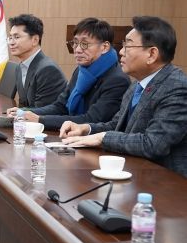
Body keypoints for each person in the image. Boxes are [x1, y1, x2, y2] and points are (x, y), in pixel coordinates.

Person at [61, 16, 187, 177]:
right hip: (134, 173)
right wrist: (86, 128)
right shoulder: (137, 84)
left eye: (128, 45)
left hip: (167, 182)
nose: (120, 51)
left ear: (152, 54)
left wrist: (102, 138)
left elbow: (153, 144)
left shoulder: (176, 87)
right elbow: (117, 125)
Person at [6, 18, 130, 130]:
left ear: (104, 47)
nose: (78, 49)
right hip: (72, 135)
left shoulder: (117, 80)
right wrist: (25, 112)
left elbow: (91, 119)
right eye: (75, 43)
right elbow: (60, 106)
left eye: (84, 44)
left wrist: (40, 120)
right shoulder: (81, 71)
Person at [7, 14, 67, 108]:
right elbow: (24, 104)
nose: (11, 43)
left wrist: (19, 113)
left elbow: (43, 111)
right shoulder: (19, 68)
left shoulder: (48, 69)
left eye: (17, 37)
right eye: (10, 37)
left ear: (35, 40)